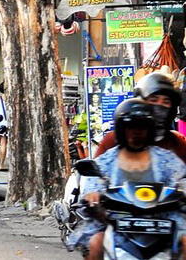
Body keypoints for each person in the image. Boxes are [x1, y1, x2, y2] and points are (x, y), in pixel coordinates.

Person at [67, 98, 186, 259]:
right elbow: (94, 183)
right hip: (116, 224)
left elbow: (181, 179)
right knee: (95, 243)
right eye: (131, 127)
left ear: (149, 130)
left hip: (163, 224)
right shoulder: (107, 160)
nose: (136, 132)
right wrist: (92, 195)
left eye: (142, 127)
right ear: (122, 130)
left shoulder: (166, 160)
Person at [95, 73, 186, 162]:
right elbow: (94, 173)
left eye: (166, 102)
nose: (159, 106)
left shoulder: (177, 143)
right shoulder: (114, 140)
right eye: (154, 100)